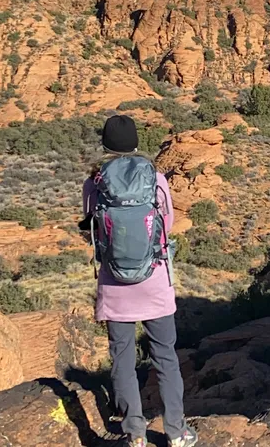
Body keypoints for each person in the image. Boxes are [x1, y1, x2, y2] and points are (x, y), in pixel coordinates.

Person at [81, 115, 197, 447]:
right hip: (155, 282)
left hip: (115, 287)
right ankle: (176, 431)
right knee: (165, 356)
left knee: (122, 359)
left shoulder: (95, 182)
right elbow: (167, 225)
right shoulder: (156, 179)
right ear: (135, 144)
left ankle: (135, 433)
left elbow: (93, 231)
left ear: (105, 146)